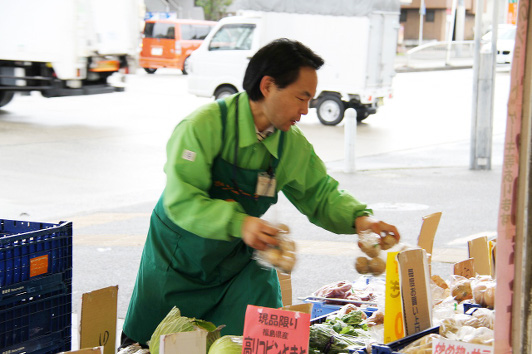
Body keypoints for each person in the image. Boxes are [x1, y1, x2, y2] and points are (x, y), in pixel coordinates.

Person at [121, 38, 400, 346]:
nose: (306, 110)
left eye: (311, 100)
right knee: (154, 343)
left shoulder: (290, 143)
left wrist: (360, 219)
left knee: (261, 339)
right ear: (268, 86)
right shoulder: (203, 126)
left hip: (237, 263)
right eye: (301, 97)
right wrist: (241, 223)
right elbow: (182, 199)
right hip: (179, 259)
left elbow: (320, 193)